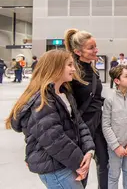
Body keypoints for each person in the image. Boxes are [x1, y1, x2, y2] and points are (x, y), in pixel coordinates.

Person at [5, 50, 95, 189]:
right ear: (56, 68)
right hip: (56, 168)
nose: (73, 69)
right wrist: (80, 163)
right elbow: (55, 139)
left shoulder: (64, 94)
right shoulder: (43, 101)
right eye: (69, 65)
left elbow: (79, 123)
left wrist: (89, 150)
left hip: (67, 162)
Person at [64, 28, 109, 189]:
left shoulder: (93, 69)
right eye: (91, 48)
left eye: (95, 46)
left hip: (99, 123)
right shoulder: (72, 73)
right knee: (82, 168)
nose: (96, 50)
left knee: (104, 162)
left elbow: (95, 97)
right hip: (82, 126)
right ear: (78, 51)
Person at [102, 65, 127, 189]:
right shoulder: (109, 99)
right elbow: (106, 125)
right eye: (126, 76)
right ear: (117, 81)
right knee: (114, 175)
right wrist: (116, 146)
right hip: (115, 146)